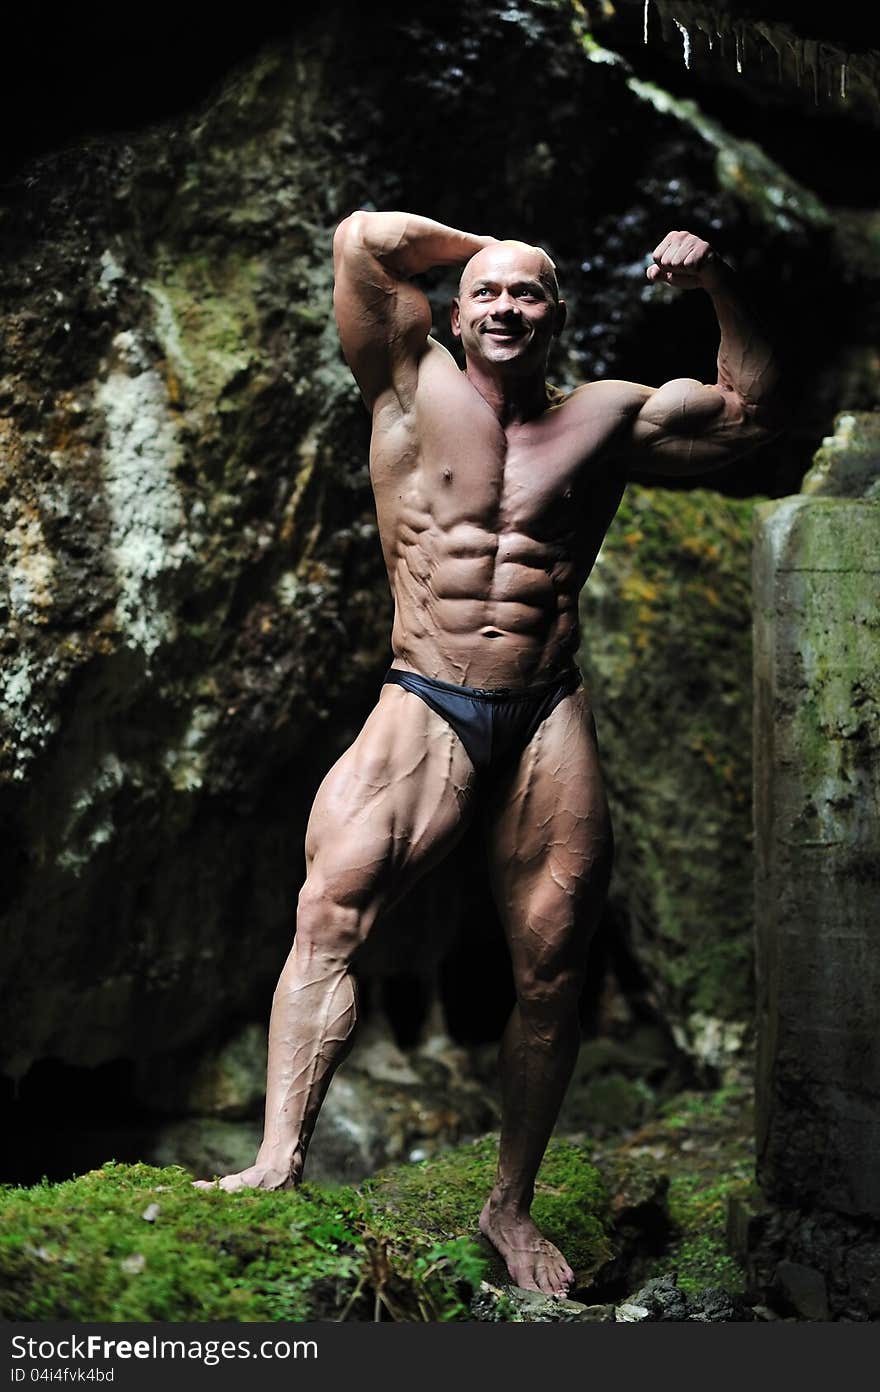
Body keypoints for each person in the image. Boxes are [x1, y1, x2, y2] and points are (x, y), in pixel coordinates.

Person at [195, 212, 779, 1297]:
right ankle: (277, 1161)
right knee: (330, 912)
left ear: (559, 316)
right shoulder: (408, 385)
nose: (507, 307)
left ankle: (507, 1205)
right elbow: (364, 239)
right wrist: (487, 243)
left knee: (552, 969)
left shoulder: (607, 416)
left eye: (530, 294)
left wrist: (718, 283)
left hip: (547, 707)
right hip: (425, 694)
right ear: (455, 314)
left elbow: (746, 413)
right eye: (488, 294)